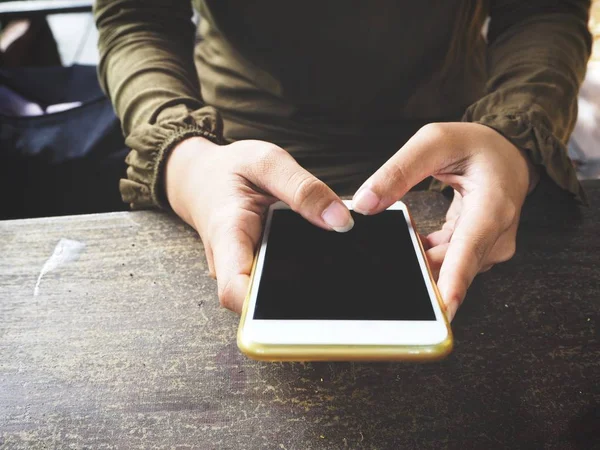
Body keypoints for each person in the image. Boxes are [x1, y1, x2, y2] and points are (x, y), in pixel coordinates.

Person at [94, 0, 592, 320]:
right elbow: (137, 16)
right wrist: (186, 157)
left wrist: (514, 132)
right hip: (233, 168)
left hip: (458, 157)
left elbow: (544, 8)